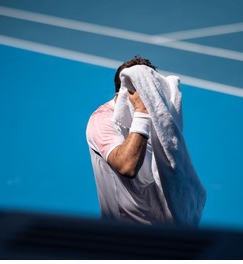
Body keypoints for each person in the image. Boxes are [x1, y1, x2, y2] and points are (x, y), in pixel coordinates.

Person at [86, 56, 203, 225]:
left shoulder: (157, 116)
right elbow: (127, 166)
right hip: (124, 234)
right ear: (127, 92)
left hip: (165, 229)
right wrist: (141, 111)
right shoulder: (102, 120)